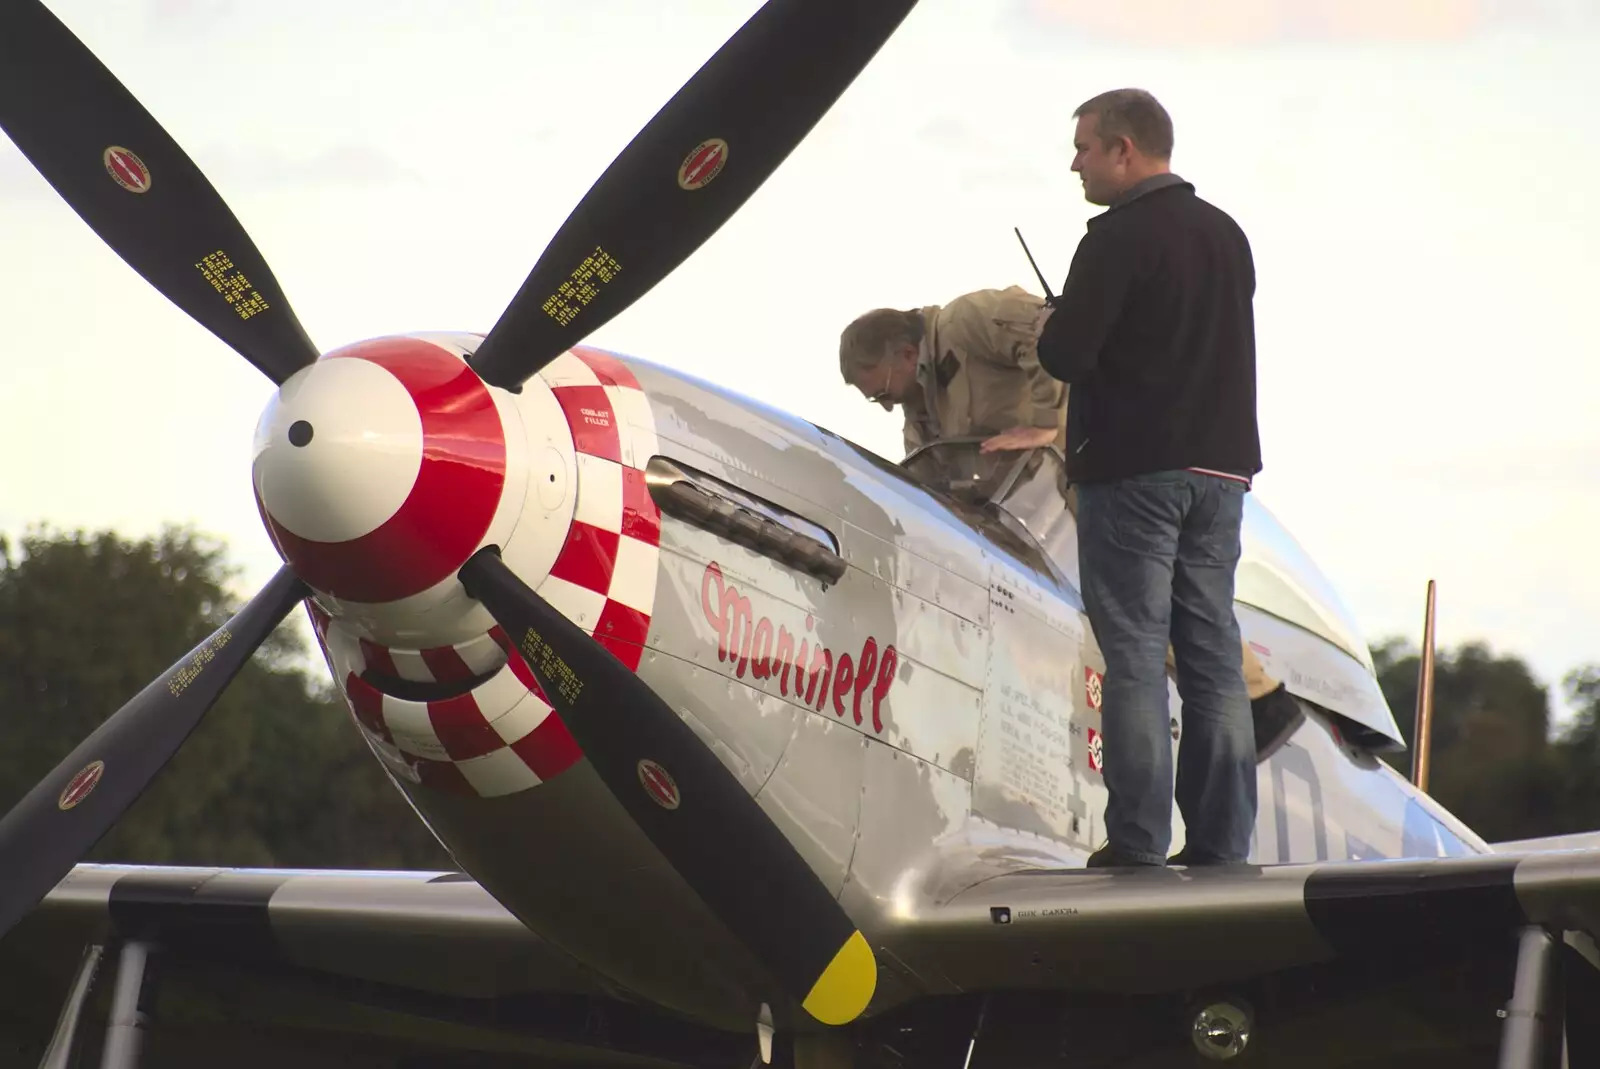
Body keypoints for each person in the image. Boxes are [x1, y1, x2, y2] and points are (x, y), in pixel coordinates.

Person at [1035, 87, 1263, 868]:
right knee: (1211, 653)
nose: (1076, 162)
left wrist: (1058, 318)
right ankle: (1222, 844)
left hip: (1135, 468)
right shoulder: (1226, 234)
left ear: (1124, 149)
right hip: (1223, 471)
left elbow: (1066, 354)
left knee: (1132, 653)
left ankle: (1136, 840)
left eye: (1086, 147)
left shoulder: (1116, 236)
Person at [838, 286, 1065, 460]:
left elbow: (1052, 334)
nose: (888, 408)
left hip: (1089, 466)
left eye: (884, 395)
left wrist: (1044, 425)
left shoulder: (967, 321)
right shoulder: (918, 431)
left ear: (907, 354)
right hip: (1042, 513)